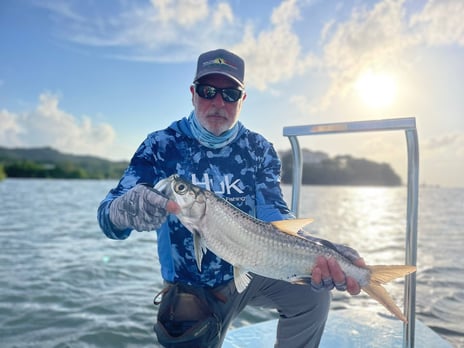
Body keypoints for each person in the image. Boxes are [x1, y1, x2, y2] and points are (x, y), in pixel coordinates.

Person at [98, 48, 365, 348]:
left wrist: (322, 250)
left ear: (243, 100)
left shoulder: (258, 149)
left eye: (230, 94)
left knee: (311, 293)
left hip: (253, 267)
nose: (217, 102)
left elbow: (273, 213)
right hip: (190, 291)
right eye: (207, 90)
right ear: (192, 93)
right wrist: (122, 212)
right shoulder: (161, 145)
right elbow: (108, 218)